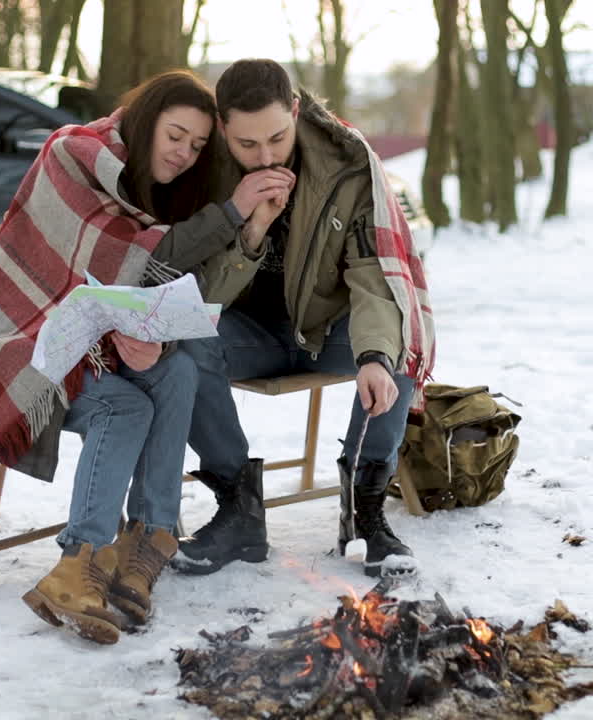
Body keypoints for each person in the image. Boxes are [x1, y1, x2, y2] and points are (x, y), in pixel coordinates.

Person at [0, 71, 288, 645]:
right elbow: (150, 258)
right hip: (27, 349)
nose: (184, 154)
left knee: (183, 370)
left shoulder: (158, 189)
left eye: (196, 145)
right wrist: (234, 211)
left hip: (101, 347)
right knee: (125, 410)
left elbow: (159, 283)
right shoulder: (76, 155)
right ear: (146, 122)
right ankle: (80, 562)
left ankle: (145, 548)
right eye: (174, 135)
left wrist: (154, 339)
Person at [175, 59, 436, 578]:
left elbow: (373, 276)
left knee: (401, 334)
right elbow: (198, 296)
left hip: (329, 329)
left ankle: (363, 511)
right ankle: (238, 511)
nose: (265, 155)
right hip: (250, 333)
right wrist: (248, 232)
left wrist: (375, 357)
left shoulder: (347, 164)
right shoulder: (204, 168)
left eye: (277, 136)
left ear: (295, 110)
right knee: (183, 338)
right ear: (223, 127)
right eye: (247, 144)